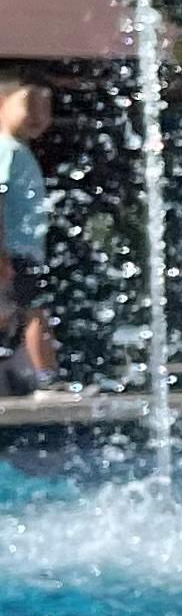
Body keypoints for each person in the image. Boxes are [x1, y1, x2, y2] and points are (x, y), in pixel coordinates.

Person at [0, 68, 60, 394]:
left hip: (19, 251)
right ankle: (46, 378)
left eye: (46, 110)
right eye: (31, 106)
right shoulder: (6, 150)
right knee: (35, 313)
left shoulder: (16, 150)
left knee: (15, 315)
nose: (39, 117)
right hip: (14, 252)